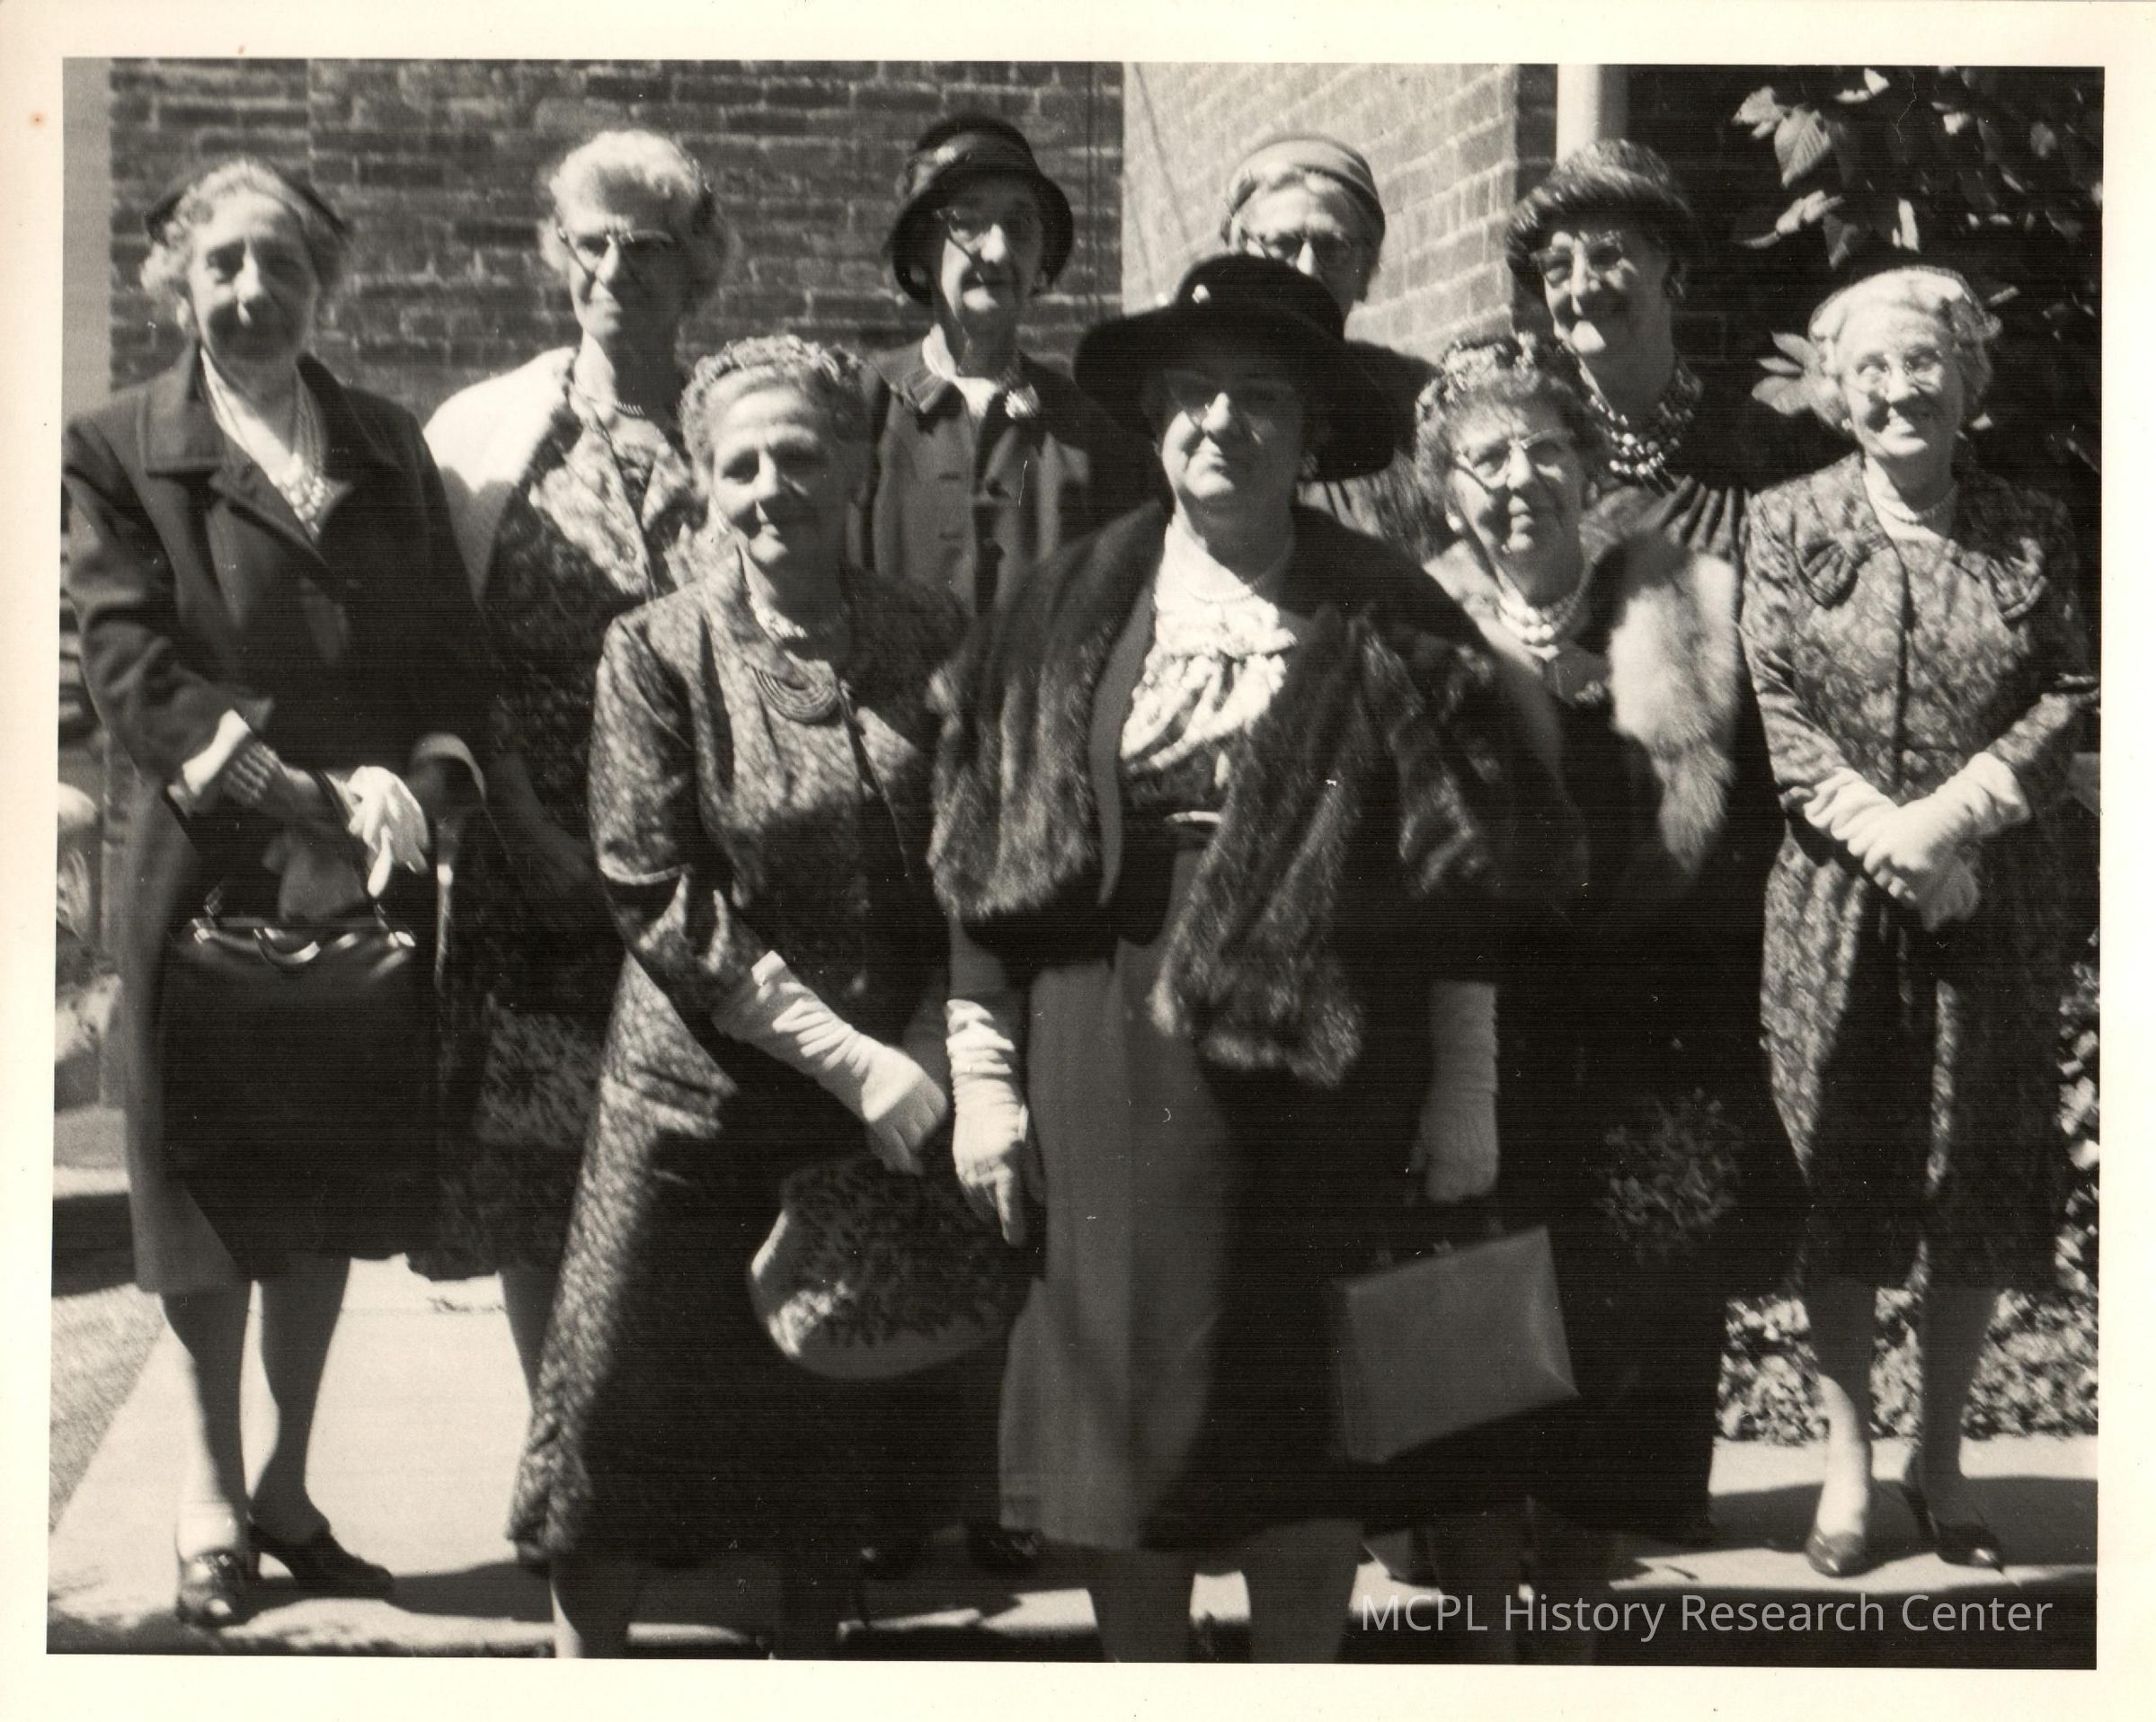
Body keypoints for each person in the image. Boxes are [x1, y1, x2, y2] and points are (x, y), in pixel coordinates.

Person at [931, 254, 1579, 1661]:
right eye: (1193, 393)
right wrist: (981, 1078)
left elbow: (1462, 880)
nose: (1221, 422)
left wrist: (1461, 1086)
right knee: (1126, 1427)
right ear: (1152, 416)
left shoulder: (1390, 605)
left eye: (1260, 397)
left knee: (1305, 1421)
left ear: (1309, 430)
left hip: (1328, 1071)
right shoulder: (1064, 604)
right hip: (1107, 1057)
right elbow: (983, 866)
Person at [62, 158, 489, 1629]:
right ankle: (208, 1496)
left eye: (284, 266)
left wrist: (427, 778)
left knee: (322, 1187)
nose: (254, 292)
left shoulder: (381, 441)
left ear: (325, 285)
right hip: (206, 865)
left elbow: (445, 651)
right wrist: (308, 790)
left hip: (361, 875)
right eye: (225, 264)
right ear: (176, 281)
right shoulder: (120, 447)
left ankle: (290, 1488)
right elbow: (132, 671)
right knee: (204, 1189)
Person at [507, 336, 968, 1657]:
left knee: (823, 1437)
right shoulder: (655, 649)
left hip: (869, 1115)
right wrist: (850, 1056)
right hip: (691, 1112)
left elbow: (973, 855)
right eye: (741, 465)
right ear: (708, 485)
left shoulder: (931, 637)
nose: (772, 489)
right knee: (616, 1425)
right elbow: (653, 886)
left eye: (800, 457)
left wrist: (922, 1046)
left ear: (858, 467)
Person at [1414, 334, 1801, 1659]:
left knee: (1614, 1375)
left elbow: (1743, 838)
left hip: (1647, 1043)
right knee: (1469, 1368)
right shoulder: (1410, 624)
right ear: (1446, 491)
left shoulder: (1684, 606)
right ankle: (1480, 1656)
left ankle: (1573, 1655)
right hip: (1474, 1038)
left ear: (1587, 469)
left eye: (1543, 449)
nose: (1516, 478)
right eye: (1484, 460)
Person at [1741, 266, 2096, 1578]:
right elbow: (1775, 700)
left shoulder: (2028, 525)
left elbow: (2067, 691)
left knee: (1972, 1173)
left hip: (1989, 894)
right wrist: (1888, 838)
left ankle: (1938, 1459)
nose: (1899, 389)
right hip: (1834, 897)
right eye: (1871, 369)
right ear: (1836, 393)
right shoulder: (1785, 522)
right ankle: (1844, 1463)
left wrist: (1951, 822)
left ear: (1967, 381)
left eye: (1924, 362)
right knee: (1836, 1168)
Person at [411, 130, 725, 1407]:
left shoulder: (731, 422)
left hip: (706, 868)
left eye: (646, 245)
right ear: (556, 255)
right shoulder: (488, 431)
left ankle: (668, 1445)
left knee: (695, 1163)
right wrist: (522, 827)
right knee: (541, 1172)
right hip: (532, 863)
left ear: (696, 265)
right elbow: (447, 647)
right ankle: (563, 1442)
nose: (613, 269)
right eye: (588, 243)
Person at [860, 111, 1155, 619]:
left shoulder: (1091, 434)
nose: (997, 251)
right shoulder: (861, 406)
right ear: (923, 248)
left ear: (1041, 261)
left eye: (1020, 227)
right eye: (966, 222)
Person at [1505, 137, 1824, 563]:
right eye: (1559, 266)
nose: (1581, 288)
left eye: (1607, 256)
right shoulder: (1522, 454)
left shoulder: (1760, 450)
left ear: (1673, 269)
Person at [1221, 132, 1444, 558]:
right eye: (1282, 244)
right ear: (1237, 256)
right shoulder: (1186, 397)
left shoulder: (1416, 403)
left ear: (1365, 273)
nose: (1307, 271)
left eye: (1334, 249)